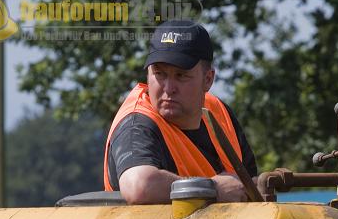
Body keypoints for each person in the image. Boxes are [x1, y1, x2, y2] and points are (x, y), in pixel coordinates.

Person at [103, 20, 257, 204]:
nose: (168, 88)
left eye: (181, 75)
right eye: (159, 74)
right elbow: (140, 186)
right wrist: (212, 189)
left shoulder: (219, 112)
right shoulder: (136, 123)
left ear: (208, 80)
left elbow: (249, 185)